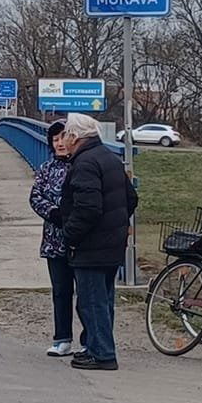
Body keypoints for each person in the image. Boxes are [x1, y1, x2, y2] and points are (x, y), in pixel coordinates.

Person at [57, 111, 133, 371]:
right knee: (103, 300)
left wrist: (69, 234)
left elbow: (88, 208)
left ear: (75, 137)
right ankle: (94, 346)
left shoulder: (85, 163)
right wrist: (117, 225)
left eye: (66, 133)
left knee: (91, 301)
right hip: (112, 243)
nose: (63, 138)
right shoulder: (110, 158)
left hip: (91, 245)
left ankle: (102, 353)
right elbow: (131, 198)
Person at [30, 120, 80, 356]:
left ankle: (89, 339)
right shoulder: (47, 168)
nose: (59, 143)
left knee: (85, 293)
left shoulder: (82, 165)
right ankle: (62, 338)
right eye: (55, 139)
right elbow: (36, 196)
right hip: (54, 239)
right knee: (61, 291)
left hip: (80, 239)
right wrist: (53, 213)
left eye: (63, 137)